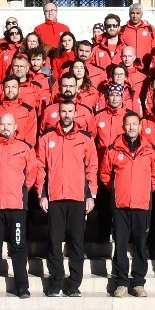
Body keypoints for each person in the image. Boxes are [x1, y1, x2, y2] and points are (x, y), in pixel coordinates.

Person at [38, 102, 99, 297]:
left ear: (75, 113)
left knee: (76, 242)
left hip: (77, 198)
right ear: (58, 113)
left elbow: (92, 168)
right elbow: (40, 168)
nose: (66, 114)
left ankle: (73, 284)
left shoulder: (85, 139)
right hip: (55, 197)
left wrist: (92, 195)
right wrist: (42, 194)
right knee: (54, 241)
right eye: (63, 111)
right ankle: (55, 282)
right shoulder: (47, 138)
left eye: (70, 111)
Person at [0, 113, 39, 298]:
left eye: (9, 124)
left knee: (18, 246)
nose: (5, 127)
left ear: (15, 126)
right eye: (2, 124)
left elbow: (31, 175)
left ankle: (22, 286)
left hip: (16, 206)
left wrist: (17, 191)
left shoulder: (25, 148)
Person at [102, 110, 155, 297]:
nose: (131, 127)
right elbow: (105, 175)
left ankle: (138, 282)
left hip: (142, 205)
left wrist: (142, 190)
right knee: (120, 244)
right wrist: (119, 190)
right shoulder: (113, 148)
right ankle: (121, 282)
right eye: (128, 124)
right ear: (123, 126)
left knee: (140, 244)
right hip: (120, 205)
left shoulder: (150, 149)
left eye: (134, 124)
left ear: (140, 126)